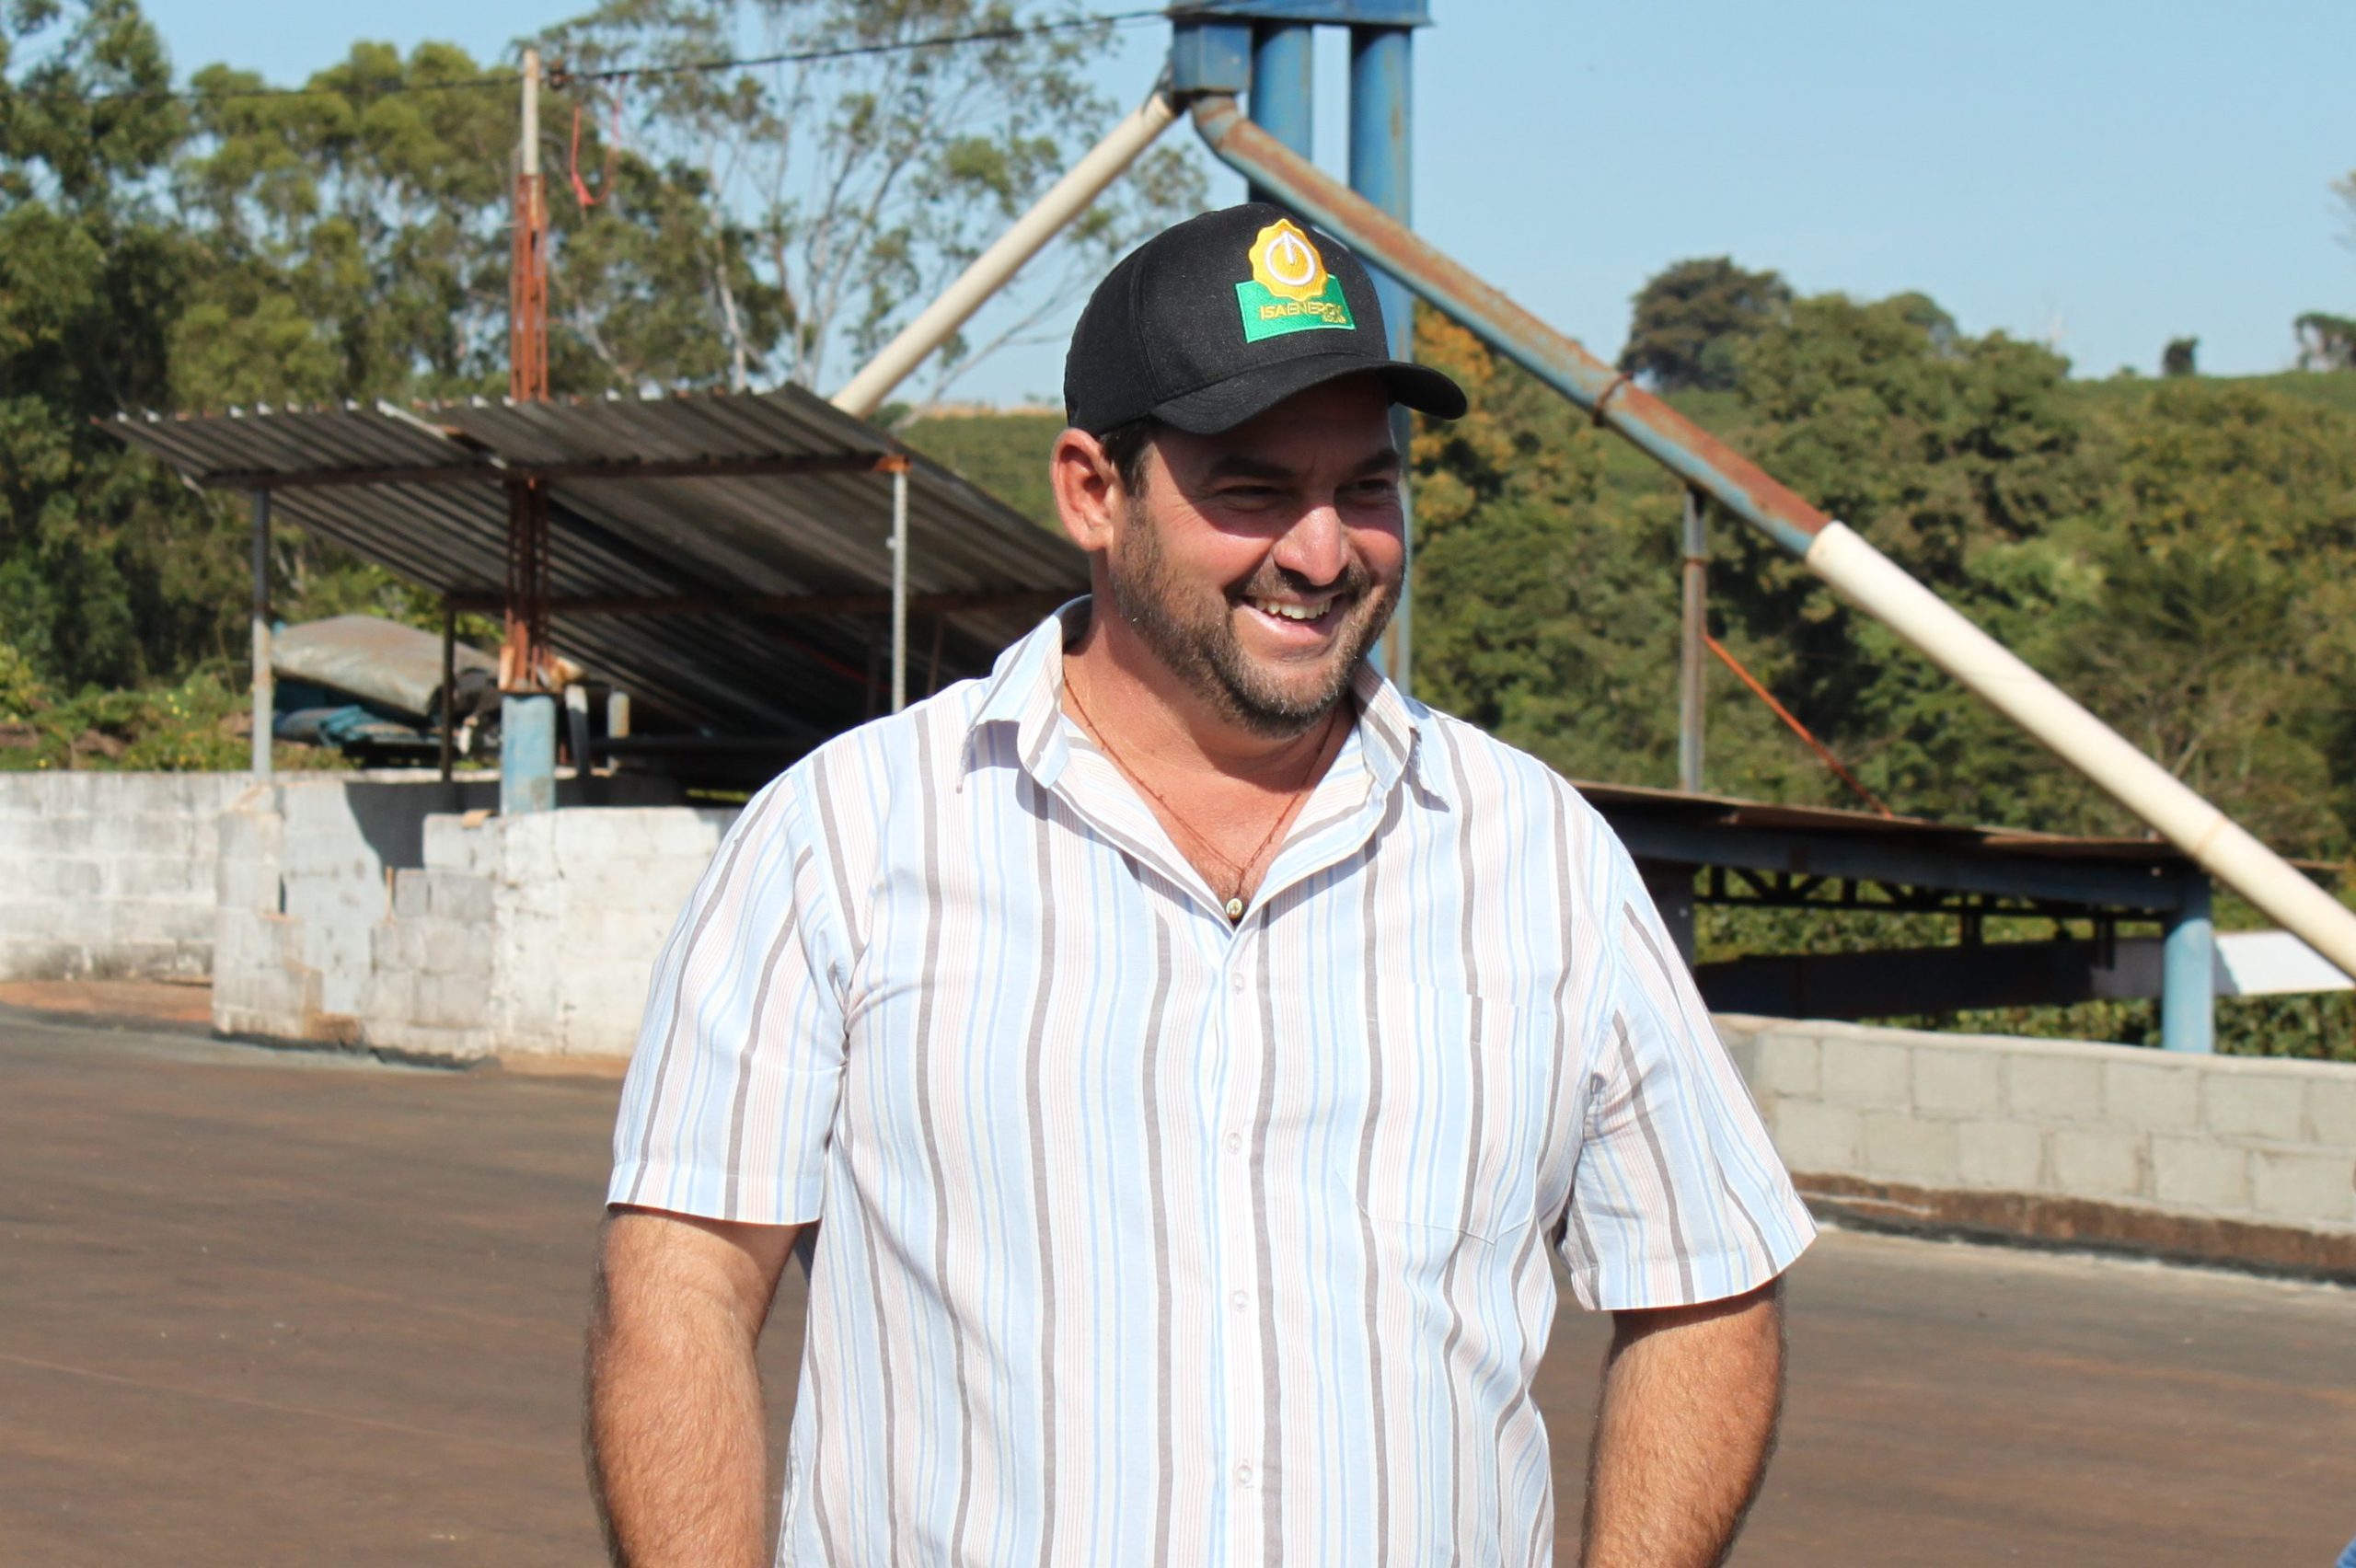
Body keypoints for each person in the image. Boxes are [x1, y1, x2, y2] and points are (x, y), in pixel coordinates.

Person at [585, 202, 1815, 1566]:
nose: (1323, 551)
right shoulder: (848, 838)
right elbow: (683, 1288)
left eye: (1367, 487)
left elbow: (1704, 1286)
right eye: (1252, 491)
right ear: (1092, 493)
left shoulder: (1537, 856)